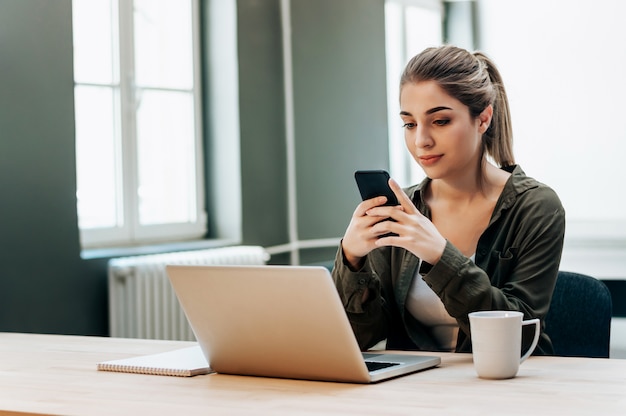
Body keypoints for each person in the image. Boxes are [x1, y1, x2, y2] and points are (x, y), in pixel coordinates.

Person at [332, 45, 565, 355]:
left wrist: (440, 256)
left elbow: (519, 338)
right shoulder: (401, 210)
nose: (421, 141)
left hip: (506, 389)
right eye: (410, 124)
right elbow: (363, 338)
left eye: (440, 121)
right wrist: (351, 260)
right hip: (416, 392)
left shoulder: (536, 207)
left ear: (483, 119)